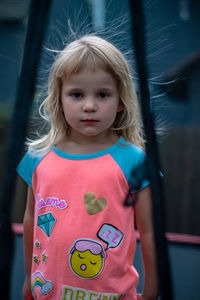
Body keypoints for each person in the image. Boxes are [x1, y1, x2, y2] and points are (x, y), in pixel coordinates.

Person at [17, 35, 158, 300]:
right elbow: (30, 220)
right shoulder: (39, 156)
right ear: (59, 98)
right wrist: (28, 277)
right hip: (48, 293)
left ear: (120, 100)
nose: (89, 106)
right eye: (77, 94)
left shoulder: (134, 161)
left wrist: (152, 291)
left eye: (102, 94)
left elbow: (150, 230)